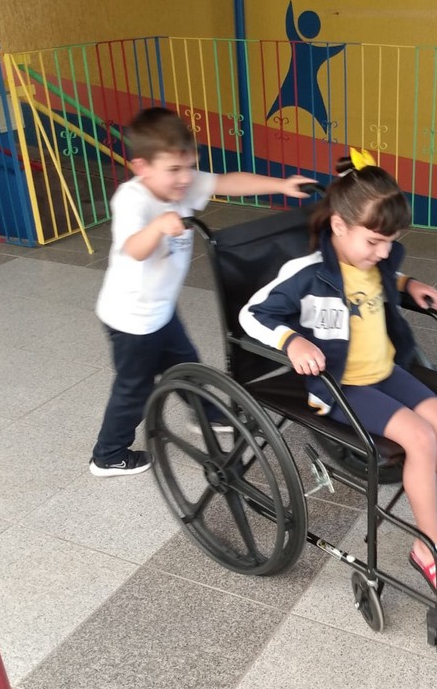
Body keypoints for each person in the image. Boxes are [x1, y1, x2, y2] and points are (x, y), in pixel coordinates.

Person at [239, 149, 437, 604]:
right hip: (342, 385)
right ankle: (428, 547)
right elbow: (252, 314)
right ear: (339, 226)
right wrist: (292, 342)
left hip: (385, 370)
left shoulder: (376, 260)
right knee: (421, 439)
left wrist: (409, 285)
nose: (384, 252)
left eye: (390, 242)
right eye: (375, 241)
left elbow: (387, 275)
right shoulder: (307, 274)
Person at [90, 107, 312, 477]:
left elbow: (228, 182)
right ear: (142, 167)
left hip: (161, 310)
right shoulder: (133, 199)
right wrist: (158, 225)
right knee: (134, 388)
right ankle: (108, 455)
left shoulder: (181, 183)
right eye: (174, 170)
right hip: (131, 319)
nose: (184, 179)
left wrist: (281, 185)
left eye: (189, 167)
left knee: (187, 365)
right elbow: (134, 249)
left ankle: (207, 414)